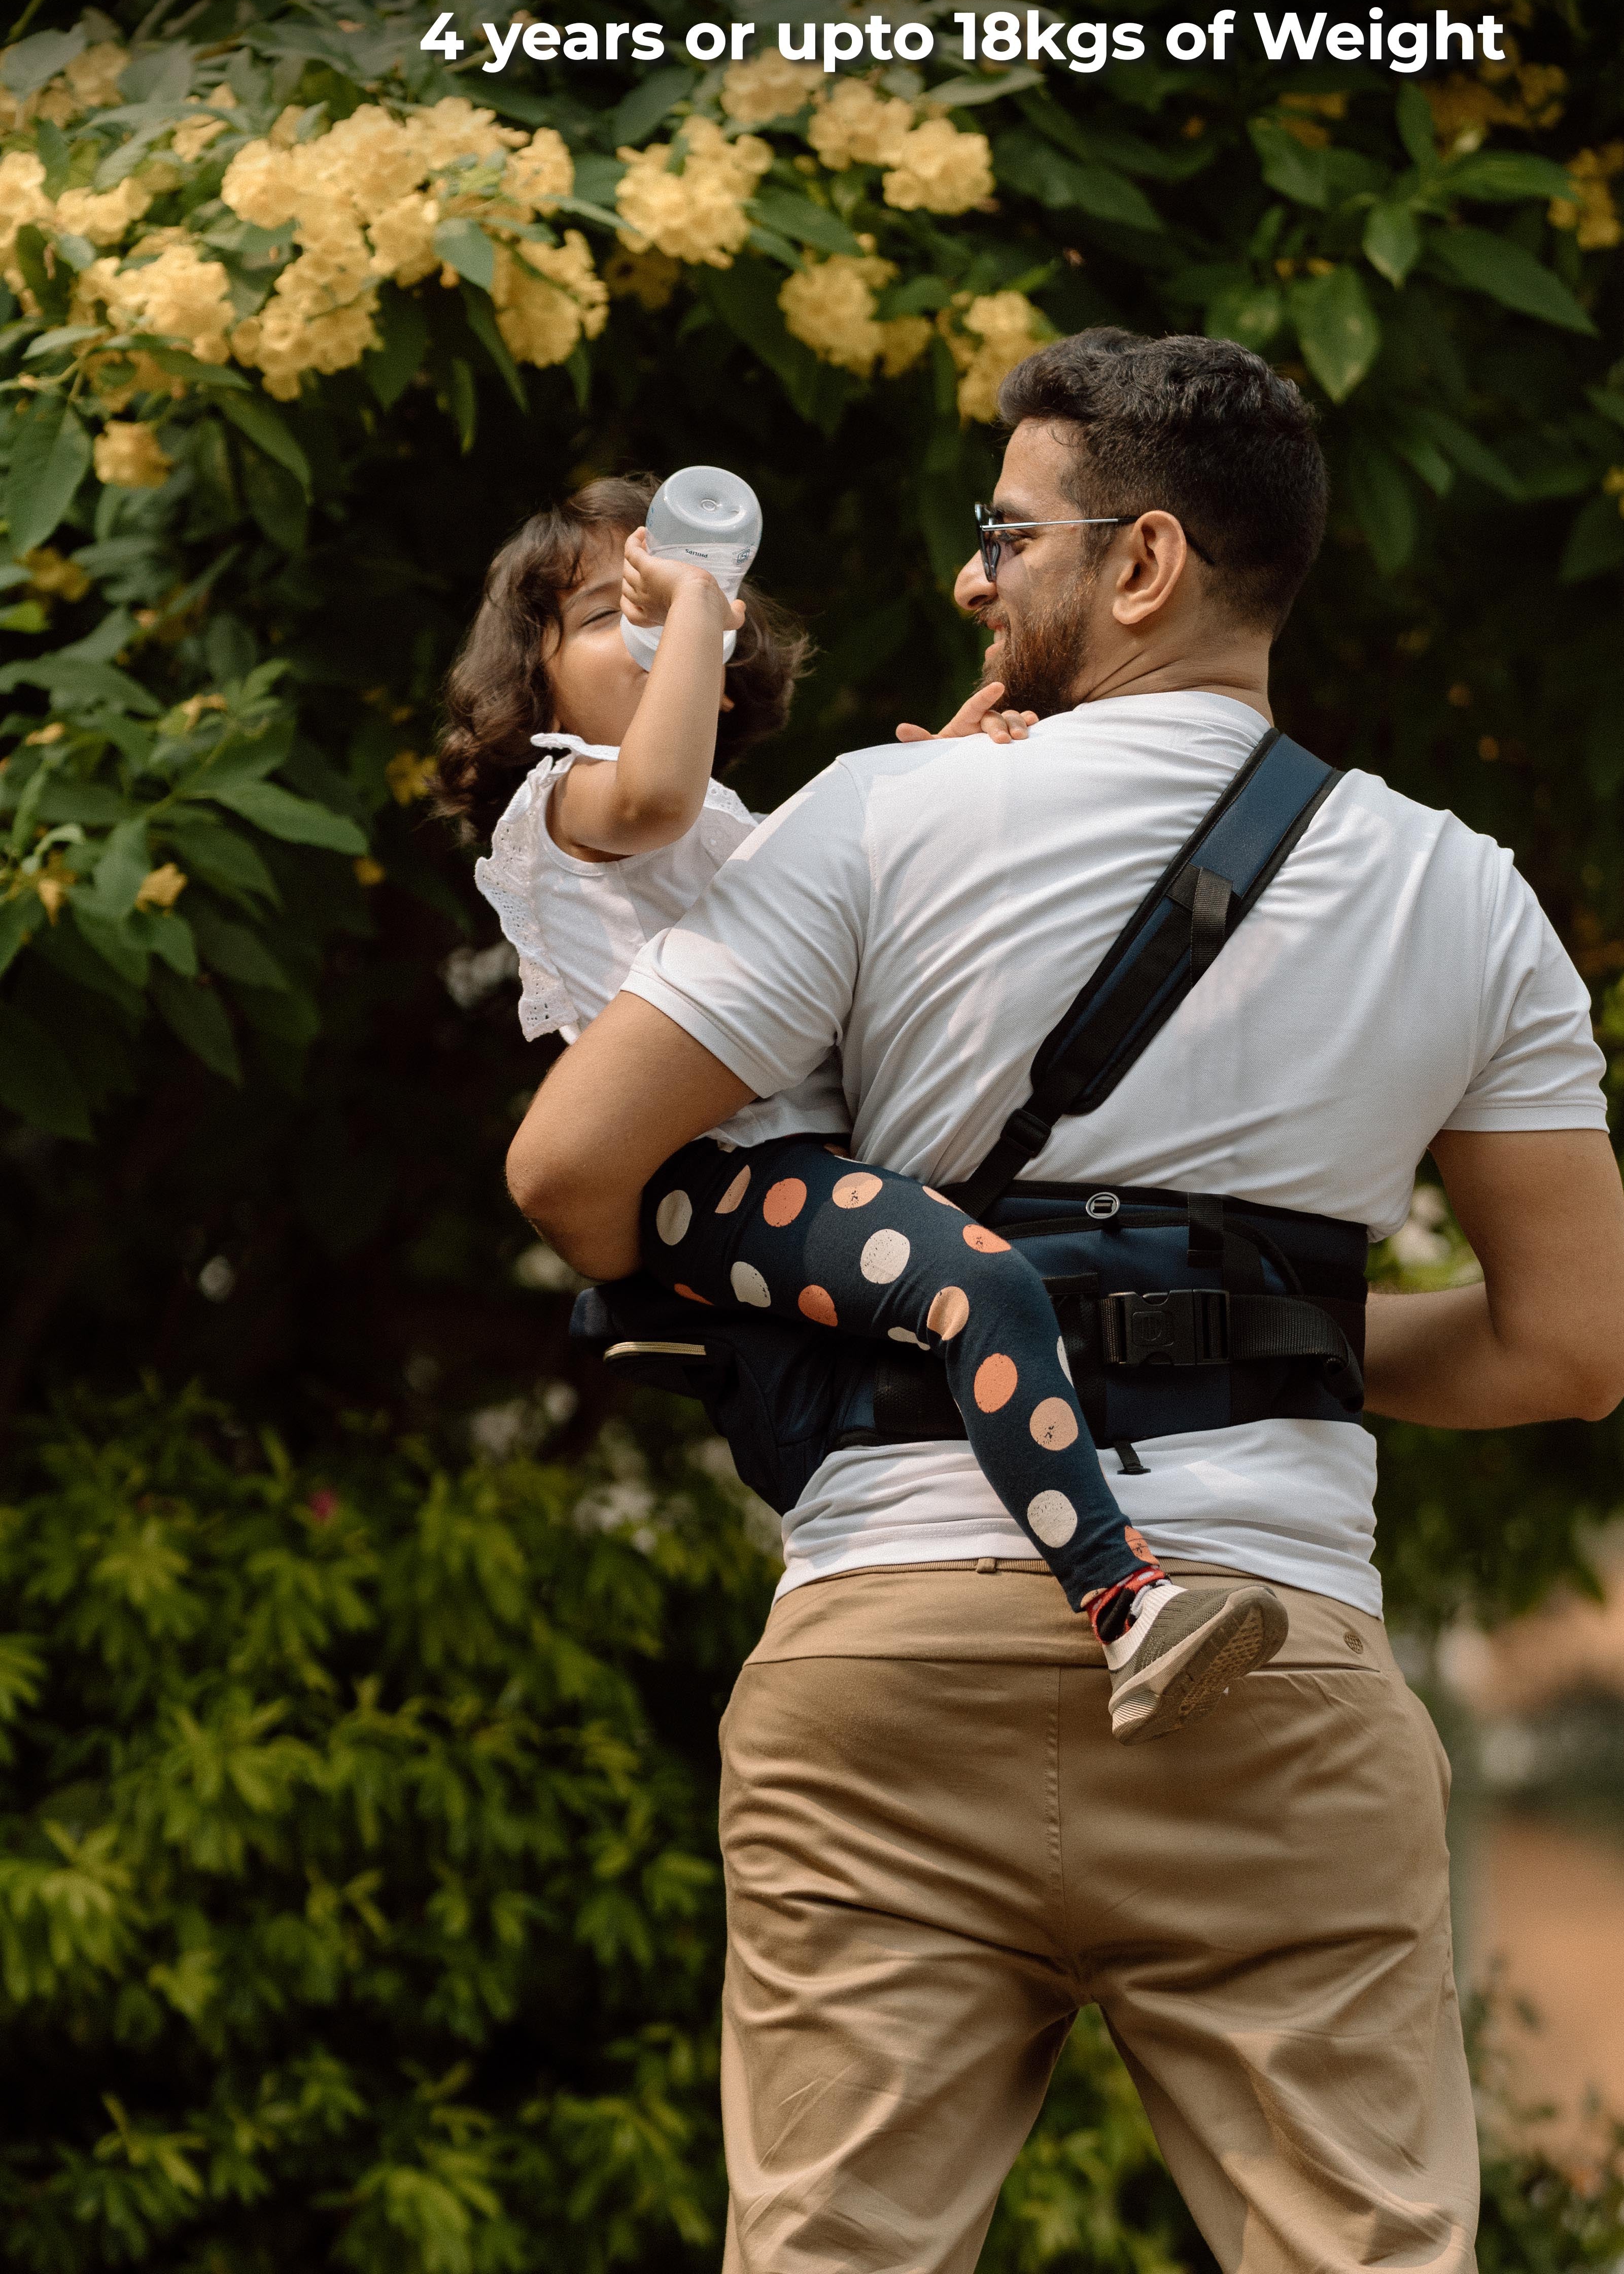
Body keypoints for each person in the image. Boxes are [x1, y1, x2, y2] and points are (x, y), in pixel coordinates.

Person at [504, 334, 1624, 2274]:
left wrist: (774, 1307)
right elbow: (1564, 1349)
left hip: (888, 1662)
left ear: (1141, 565)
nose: (970, 580)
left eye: (1002, 535)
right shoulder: (1467, 896)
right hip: (1264, 1670)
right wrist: (1233, 1341)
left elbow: (567, 1168)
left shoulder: (877, 817)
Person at [435, 475, 1286, 1742]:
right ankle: (1125, 1602)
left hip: (784, 1160)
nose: (662, 625)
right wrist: (702, 604)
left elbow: (824, 916)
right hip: (705, 1174)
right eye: (616, 612)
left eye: (677, 610)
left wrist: (929, 791)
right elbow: (656, 795)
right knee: (984, 1288)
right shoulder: (560, 803)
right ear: (536, 677)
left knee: (964, 1312)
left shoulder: (730, 824)